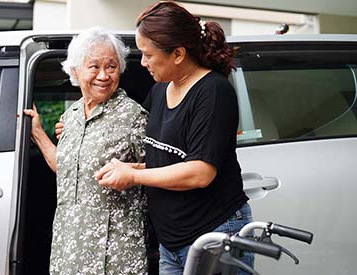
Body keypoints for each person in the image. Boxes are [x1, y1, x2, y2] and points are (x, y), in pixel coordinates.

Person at [93, 2, 254, 275]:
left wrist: (133, 177)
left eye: (147, 55)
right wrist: (136, 168)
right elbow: (171, 159)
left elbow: (199, 172)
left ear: (178, 53)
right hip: (172, 244)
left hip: (214, 234)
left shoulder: (212, 92)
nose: (142, 63)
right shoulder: (160, 91)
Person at [24, 27, 149, 275]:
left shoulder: (134, 117)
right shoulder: (70, 117)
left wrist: (132, 173)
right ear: (75, 70)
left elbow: (161, 172)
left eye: (111, 67)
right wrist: (38, 132)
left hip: (115, 253)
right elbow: (66, 168)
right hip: (70, 246)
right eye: (94, 67)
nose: (103, 75)